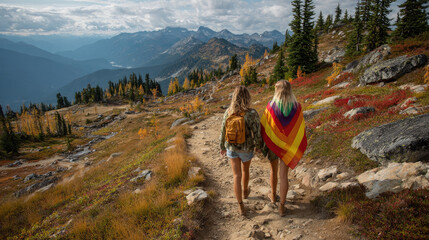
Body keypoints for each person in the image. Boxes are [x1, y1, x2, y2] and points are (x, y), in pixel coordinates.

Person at [260, 80, 307, 216]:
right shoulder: (297, 107)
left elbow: (264, 126)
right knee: (283, 176)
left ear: (277, 90)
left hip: (274, 145)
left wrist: (263, 144)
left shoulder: (271, 106)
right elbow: (300, 128)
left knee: (273, 171)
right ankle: (281, 206)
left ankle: (273, 196)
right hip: (288, 148)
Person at [220, 86, 262, 216]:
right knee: (245, 171)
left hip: (231, 147)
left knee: (236, 176)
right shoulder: (251, 113)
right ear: (247, 97)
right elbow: (257, 131)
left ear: (234, 97)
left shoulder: (228, 112)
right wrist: (258, 145)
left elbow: (222, 131)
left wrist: (222, 146)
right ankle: (245, 191)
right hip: (246, 148)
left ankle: (240, 206)